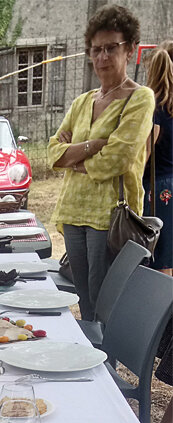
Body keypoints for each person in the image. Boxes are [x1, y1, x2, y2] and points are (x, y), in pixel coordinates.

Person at [47, 4, 154, 320]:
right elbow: (53, 150)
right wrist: (93, 145)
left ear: (130, 49)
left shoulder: (140, 98)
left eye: (111, 48)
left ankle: (108, 360)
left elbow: (118, 158)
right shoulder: (83, 101)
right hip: (72, 209)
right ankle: (91, 355)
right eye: (96, 50)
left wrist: (74, 158)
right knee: (84, 297)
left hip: (110, 214)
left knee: (107, 297)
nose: (103, 57)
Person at [143, 41, 173, 275]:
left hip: (158, 188)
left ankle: (160, 309)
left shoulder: (157, 108)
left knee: (159, 252)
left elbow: (144, 153)